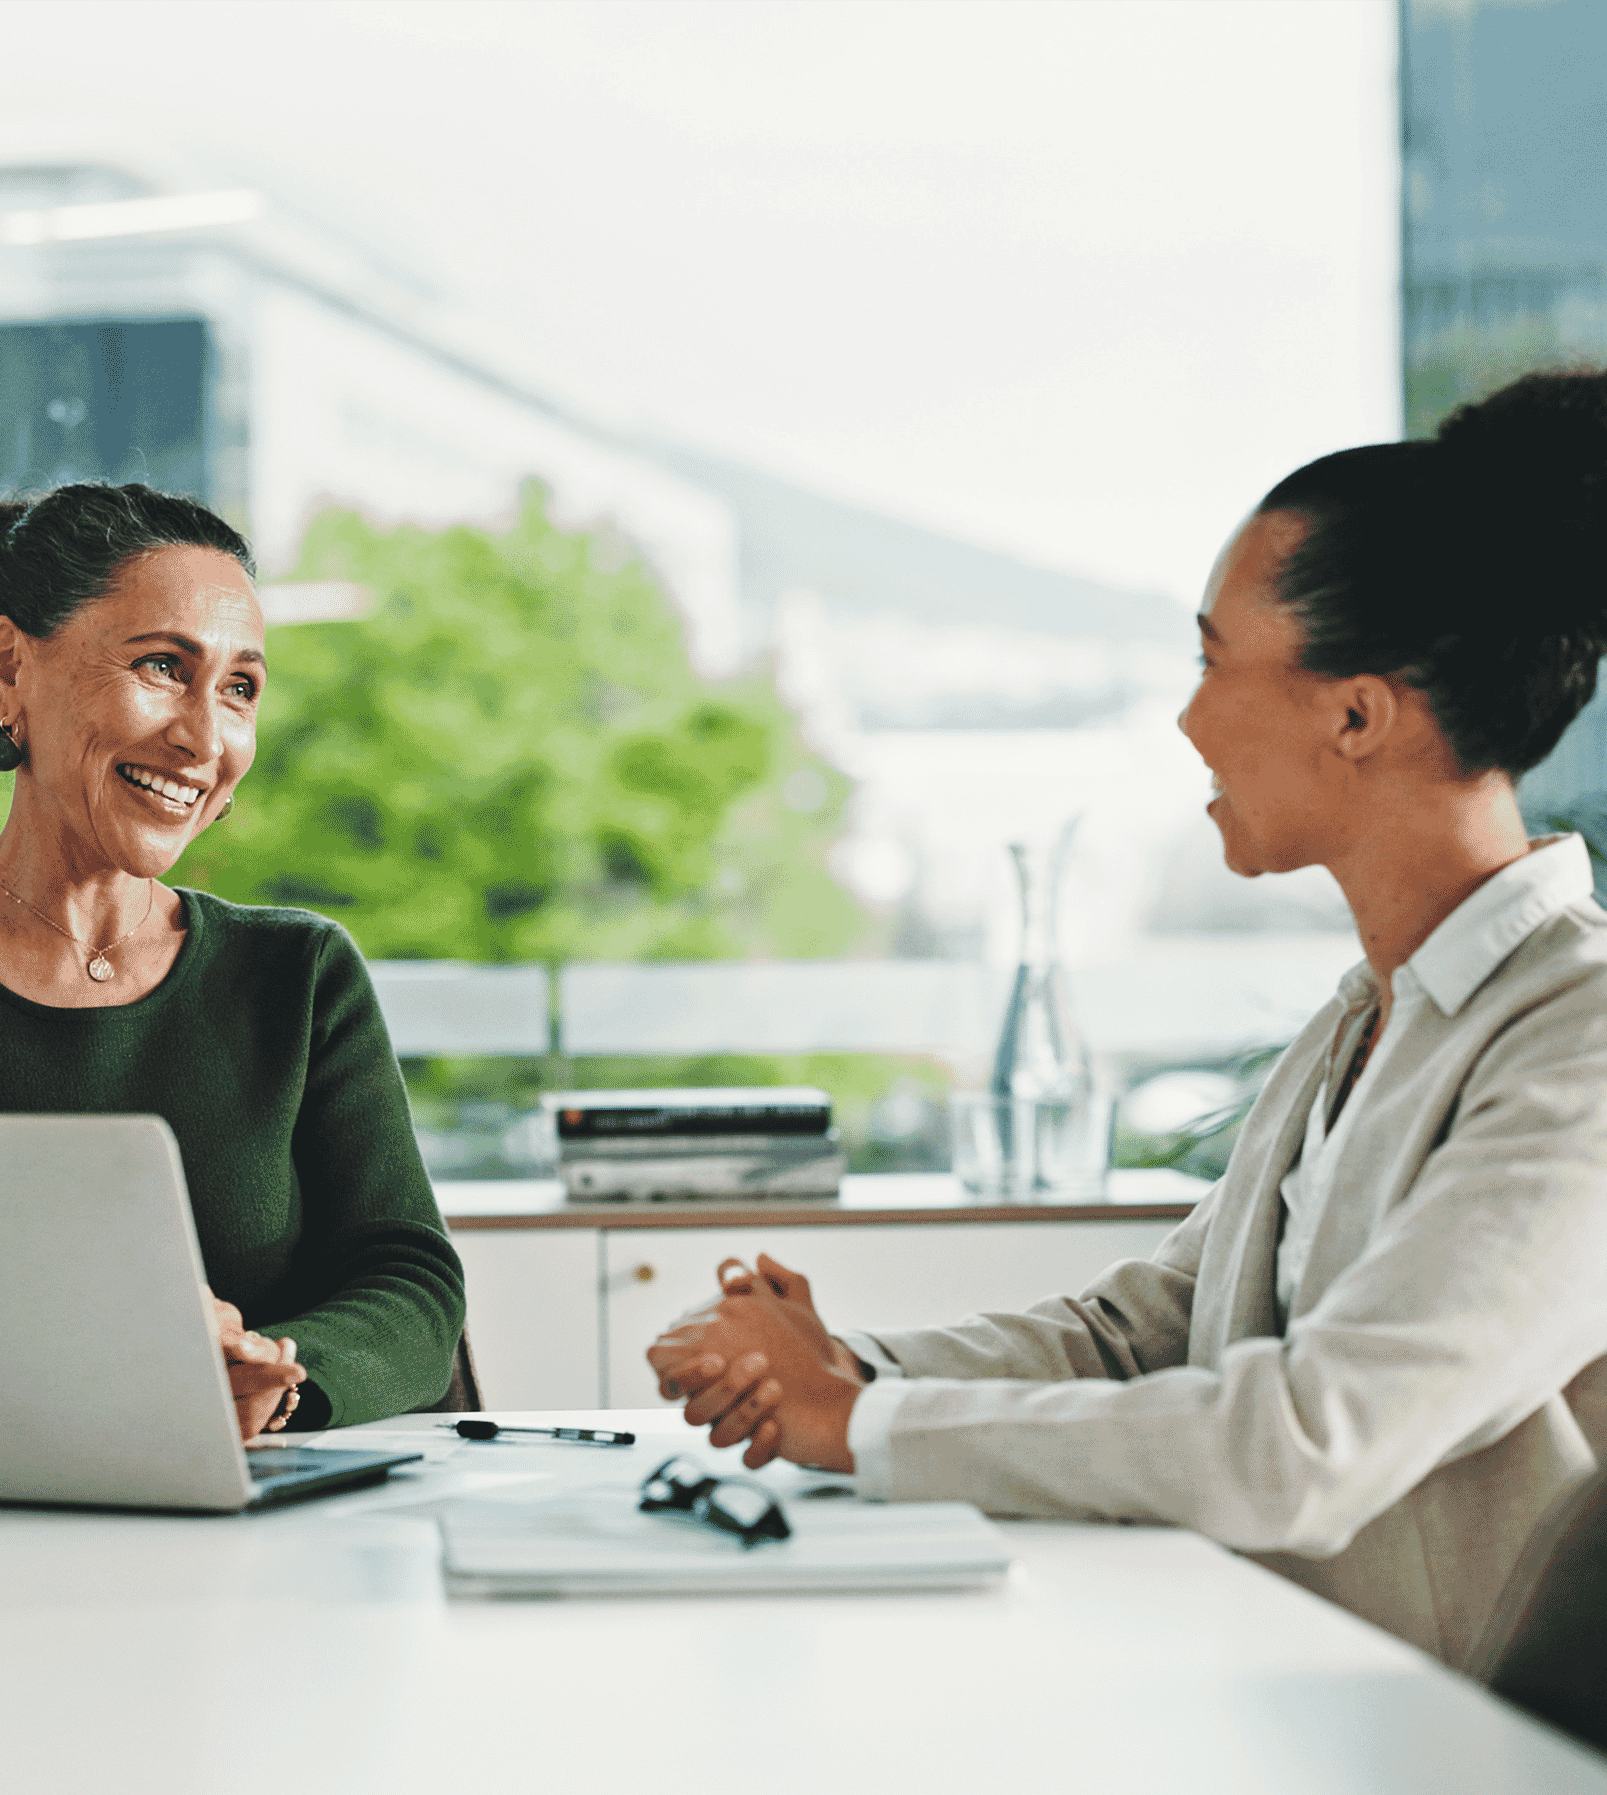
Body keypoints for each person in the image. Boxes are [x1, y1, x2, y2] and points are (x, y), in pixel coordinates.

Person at [648, 371, 1607, 1670]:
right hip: (1261, 1674)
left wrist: (855, 1424)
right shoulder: (1368, 1015)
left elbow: (1306, 1440)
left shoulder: (1579, 1036)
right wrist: (844, 1369)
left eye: (1212, 659)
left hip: (1432, 1730)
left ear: (1355, 712)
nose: (1187, 715)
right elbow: (1143, 1332)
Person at [0, 482, 465, 1440]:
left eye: (240, 688)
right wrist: (117, 1349)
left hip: (265, 1498)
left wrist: (271, 1375)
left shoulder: (300, 972)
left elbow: (412, 1281)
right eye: (163, 666)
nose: (205, 738)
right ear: (8, 671)